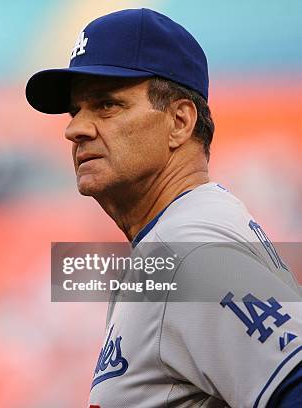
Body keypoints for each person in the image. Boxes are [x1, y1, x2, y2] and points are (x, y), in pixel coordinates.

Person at [25, 8, 302, 408]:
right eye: (75, 111)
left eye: (107, 105)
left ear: (179, 121)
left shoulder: (187, 249)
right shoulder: (182, 235)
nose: (75, 129)